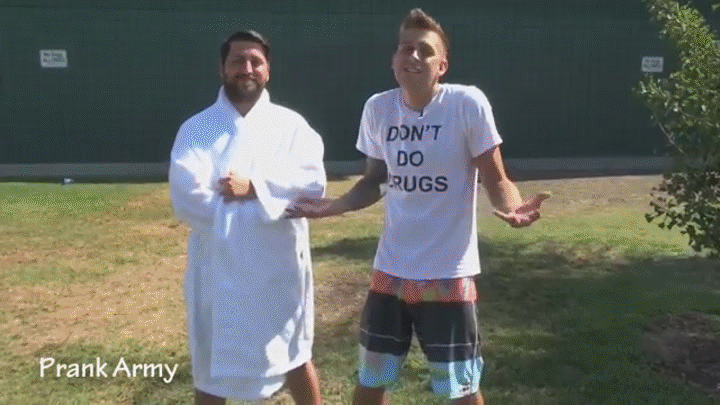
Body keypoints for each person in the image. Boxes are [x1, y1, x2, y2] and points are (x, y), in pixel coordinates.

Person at [286, 9, 548, 405]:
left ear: (442, 65)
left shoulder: (467, 104)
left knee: (461, 390)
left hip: (448, 276)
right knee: (371, 381)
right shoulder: (378, 108)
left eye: (424, 51)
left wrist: (514, 208)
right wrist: (333, 207)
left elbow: (496, 178)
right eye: (404, 48)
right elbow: (375, 180)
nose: (412, 56)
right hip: (390, 274)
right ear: (393, 59)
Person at [169, 30, 325, 405]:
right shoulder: (197, 129)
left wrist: (253, 187)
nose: (247, 68)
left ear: (268, 69)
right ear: (222, 68)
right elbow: (188, 195)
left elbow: (311, 184)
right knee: (212, 367)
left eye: (256, 61)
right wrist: (266, 205)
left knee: (295, 355)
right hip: (219, 270)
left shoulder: (292, 126)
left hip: (279, 268)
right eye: (238, 60)